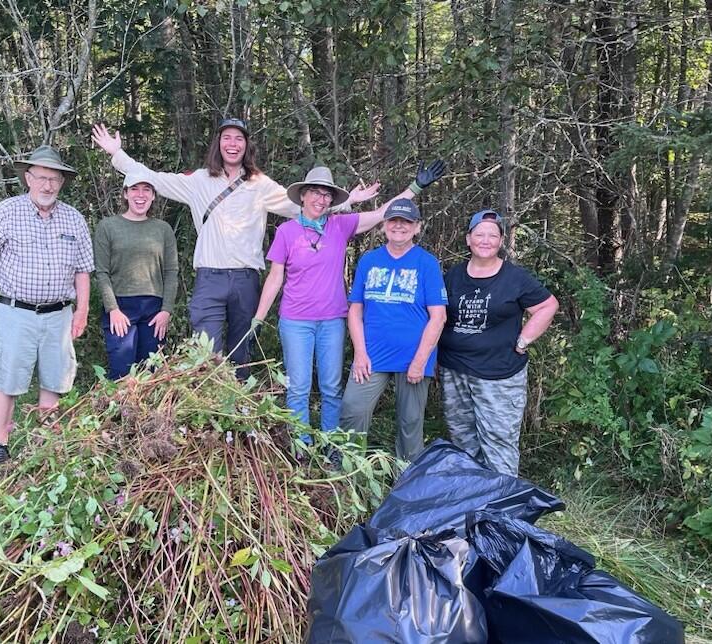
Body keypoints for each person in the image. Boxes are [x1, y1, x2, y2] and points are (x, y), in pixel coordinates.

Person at [91, 119, 377, 379]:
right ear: (218, 144)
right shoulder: (198, 181)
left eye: (239, 139)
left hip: (245, 279)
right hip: (209, 278)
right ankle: (209, 420)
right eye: (227, 137)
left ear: (246, 146)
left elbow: (301, 207)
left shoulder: (260, 184)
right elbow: (154, 178)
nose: (232, 144)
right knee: (205, 354)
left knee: (241, 351)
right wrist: (117, 154)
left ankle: (237, 420)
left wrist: (346, 201)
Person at [253, 161, 445, 435]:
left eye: (326, 194)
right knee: (298, 388)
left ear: (332, 200)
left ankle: (332, 447)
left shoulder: (340, 225)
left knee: (332, 388)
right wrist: (258, 318)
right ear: (303, 196)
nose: (320, 199)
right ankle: (301, 447)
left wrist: (415, 187)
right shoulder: (286, 232)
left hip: (332, 320)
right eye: (315, 193)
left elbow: (383, 213)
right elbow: (275, 278)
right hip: (295, 321)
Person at [0, 145, 94, 469]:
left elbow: (83, 270)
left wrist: (81, 311)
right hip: (15, 313)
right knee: (7, 379)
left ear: (61, 182)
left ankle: (44, 445)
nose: (47, 185)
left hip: (59, 314)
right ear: (28, 178)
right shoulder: (6, 212)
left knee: (54, 380)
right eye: (41, 178)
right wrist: (4, 279)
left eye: (54, 179)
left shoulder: (74, 219)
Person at [437, 209, 559, 476]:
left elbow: (548, 306)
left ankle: (503, 510)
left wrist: (524, 340)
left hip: (499, 374)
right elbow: (437, 316)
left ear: (501, 241)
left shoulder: (515, 278)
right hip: (455, 371)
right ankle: (471, 503)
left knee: (499, 443)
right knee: (463, 443)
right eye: (479, 234)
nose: (485, 240)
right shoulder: (452, 276)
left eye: (493, 235)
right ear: (468, 239)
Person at [338, 199, 448, 462]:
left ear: (417, 227)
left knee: (410, 423)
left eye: (406, 221)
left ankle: (407, 486)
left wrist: (420, 361)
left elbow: (438, 317)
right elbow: (355, 310)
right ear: (384, 225)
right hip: (371, 355)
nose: (399, 226)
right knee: (352, 408)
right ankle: (345, 477)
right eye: (393, 220)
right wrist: (360, 353)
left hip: (414, 357)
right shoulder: (369, 260)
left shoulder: (427, 263)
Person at [93, 170, 178, 379]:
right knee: (122, 372)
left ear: (153, 195)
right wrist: (112, 309)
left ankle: (150, 413)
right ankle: (119, 412)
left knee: (151, 372)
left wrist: (166, 310)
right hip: (121, 308)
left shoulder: (163, 229)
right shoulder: (108, 227)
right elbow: (101, 272)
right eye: (135, 189)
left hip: (154, 310)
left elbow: (171, 271)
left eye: (146, 190)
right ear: (125, 194)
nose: (140, 195)